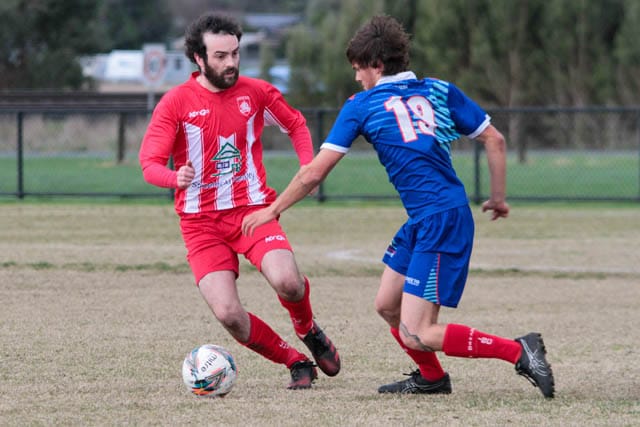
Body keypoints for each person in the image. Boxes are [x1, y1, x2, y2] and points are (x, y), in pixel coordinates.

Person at [242, 15, 554, 398]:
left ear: (375, 65)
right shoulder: (438, 90)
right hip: (428, 218)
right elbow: (495, 140)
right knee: (388, 304)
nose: (357, 77)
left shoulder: (362, 105)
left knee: (418, 331)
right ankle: (432, 378)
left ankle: (520, 351)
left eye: (358, 69)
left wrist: (272, 210)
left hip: (440, 220)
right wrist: (498, 197)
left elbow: (313, 174)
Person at [139, 12, 340, 390]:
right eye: (220, 56)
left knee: (288, 282)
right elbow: (149, 163)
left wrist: (307, 165)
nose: (231, 63)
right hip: (200, 223)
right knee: (228, 313)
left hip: (253, 210)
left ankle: (307, 329)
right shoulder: (175, 103)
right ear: (199, 58)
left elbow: (296, 124)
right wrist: (173, 177)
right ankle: (294, 360)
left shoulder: (256, 92)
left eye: (235, 54)